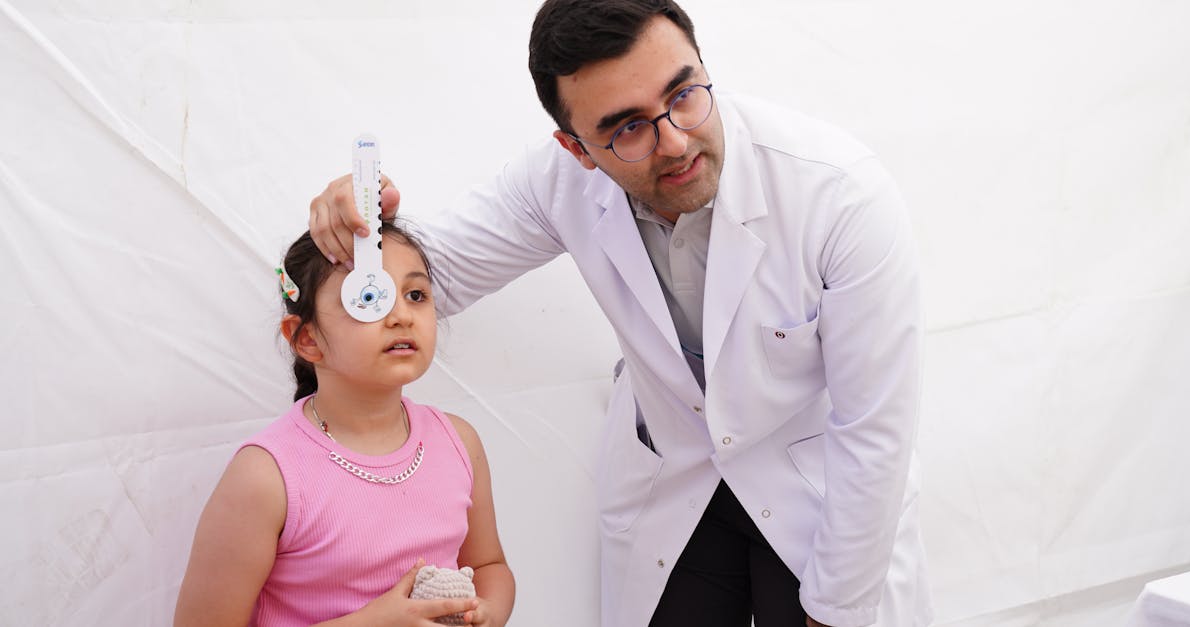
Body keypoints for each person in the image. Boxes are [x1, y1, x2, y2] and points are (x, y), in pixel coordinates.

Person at [309, 1, 931, 625]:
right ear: (576, 148)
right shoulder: (557, 181)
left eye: (684, 93)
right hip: (676, 480)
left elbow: (873, 428)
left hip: (819, 491)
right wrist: (362, 239)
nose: (676, 140)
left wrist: (836, 611)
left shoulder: (841, 195)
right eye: (627, 128)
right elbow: (430, 277)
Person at [175, 223, 515, 626]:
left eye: (416, 295)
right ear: (307, 340)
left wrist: (490, 611)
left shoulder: (458, 442)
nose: (401, 315)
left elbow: (488, 563)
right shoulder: (266, 477)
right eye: (369, 298)